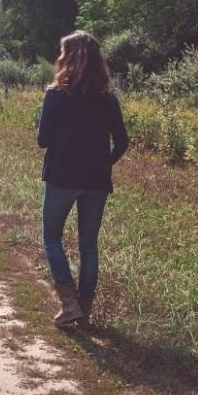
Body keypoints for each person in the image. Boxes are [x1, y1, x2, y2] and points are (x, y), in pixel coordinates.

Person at [36, 30, 129, 329]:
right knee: (88, 244)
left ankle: (69, 303)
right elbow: (123, 141)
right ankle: (84, 310)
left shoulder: (55, 95)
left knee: (52, 238)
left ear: (68, 57)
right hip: (96, 181)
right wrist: (104, 162)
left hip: (62, 177)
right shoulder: (107, 98)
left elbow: (42, 140)